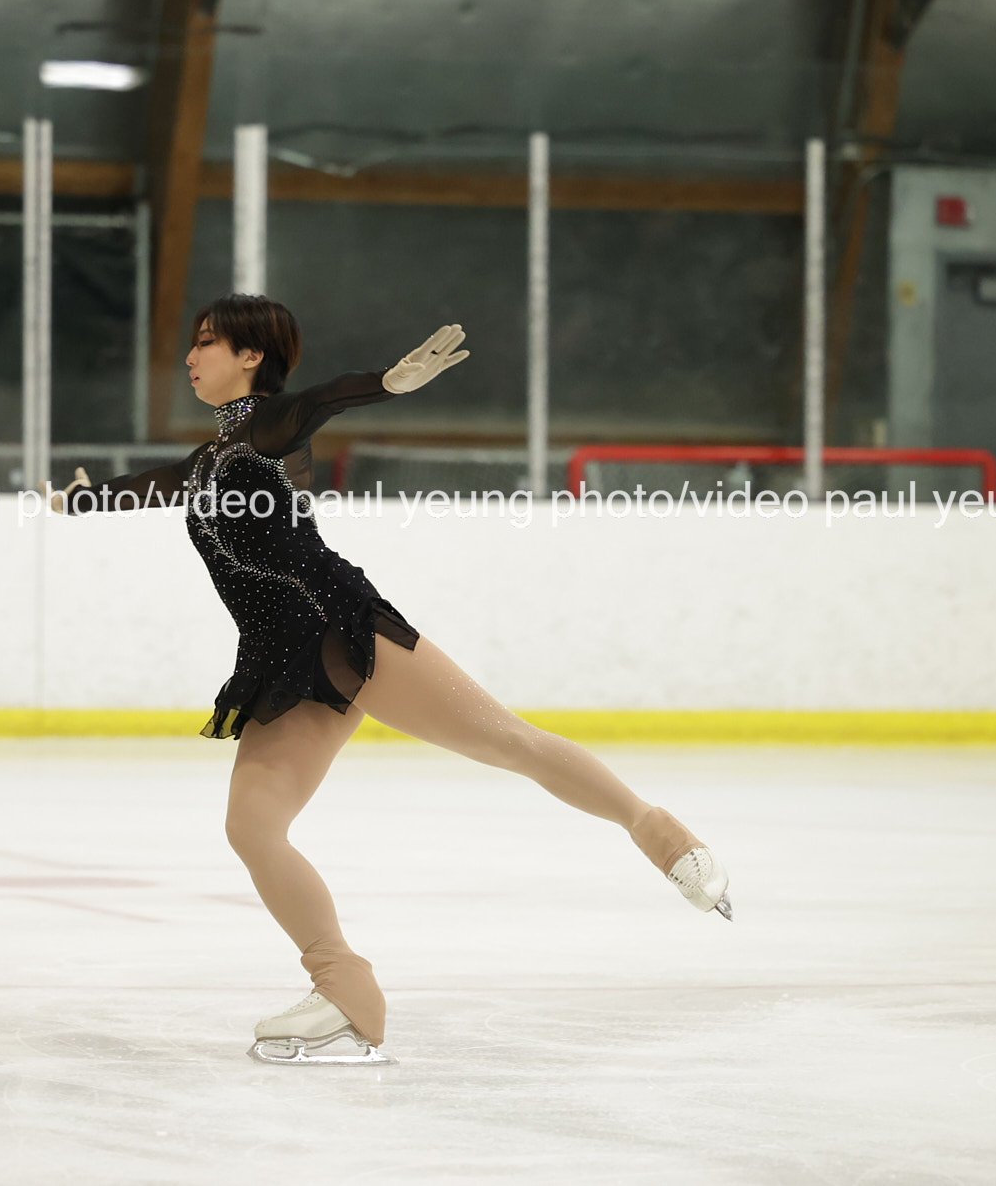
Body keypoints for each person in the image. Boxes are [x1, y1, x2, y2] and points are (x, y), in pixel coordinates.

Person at [41, 294, 731, 1065]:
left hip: (343, 629)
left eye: (207, 342)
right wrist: (83, 500)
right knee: (252, 825)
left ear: (251, 356)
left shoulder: (268, 428)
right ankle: (345, 989)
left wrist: (385, 384)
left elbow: (312, 405)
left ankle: (661, 835)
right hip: (281, 660)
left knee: (507, 741)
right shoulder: (209, 463)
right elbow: (154, 482)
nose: (191, 356)